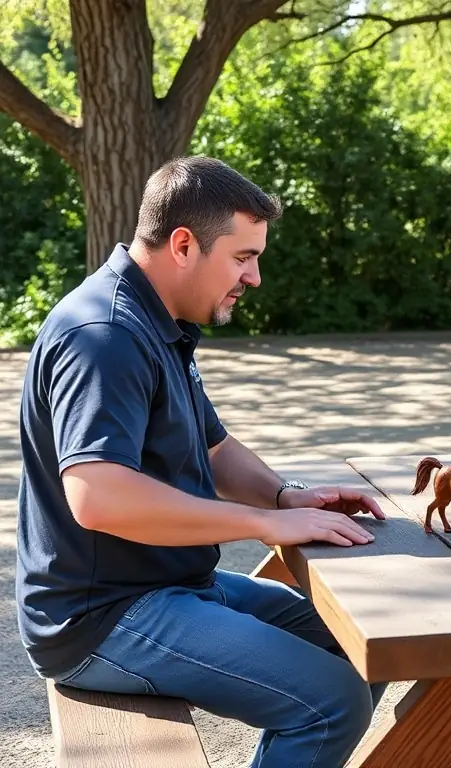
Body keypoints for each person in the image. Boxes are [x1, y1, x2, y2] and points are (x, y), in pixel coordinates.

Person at [16, 156, 388, 767]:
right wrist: (263, 526)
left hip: (171, 586)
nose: (256, 277)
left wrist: (284, 495)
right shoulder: (106, 335)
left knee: (362, 647)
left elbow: (213, 448)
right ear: (184, 245)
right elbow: (97, 495)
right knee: (332, 702)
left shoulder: (157, 321)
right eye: (243, 257)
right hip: (100, 616)